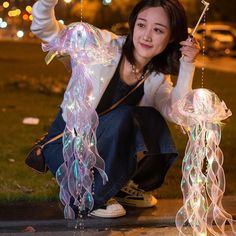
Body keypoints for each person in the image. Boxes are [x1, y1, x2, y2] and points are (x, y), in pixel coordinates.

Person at [31, 0, 200, 219]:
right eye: (141, 25)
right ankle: (90, 196)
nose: (146, 36)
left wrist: (187, 64)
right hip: (68, 144)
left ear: (172, 38)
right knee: (126, 116)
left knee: (151, 118)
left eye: (158, 30)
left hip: (98, 145)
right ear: (132, 24)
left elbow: (179, 114)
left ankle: (122, 186)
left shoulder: (157, 77)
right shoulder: (103, 45)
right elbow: (47, 31)